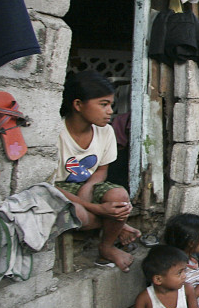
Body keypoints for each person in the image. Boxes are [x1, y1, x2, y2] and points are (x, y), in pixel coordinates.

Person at [55, 70, 139, 271]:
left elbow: (102, 170)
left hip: (88, 184)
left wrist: (90, 185)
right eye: (103, 104)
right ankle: (117, 227)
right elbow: (49, 186)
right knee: (79, 215)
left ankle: (106, 246)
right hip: (59, 189)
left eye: (110, 104)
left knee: (120, 197)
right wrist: (97, 209)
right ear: (78, 105)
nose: (110, 110)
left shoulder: (105, 131)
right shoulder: (55, 133)